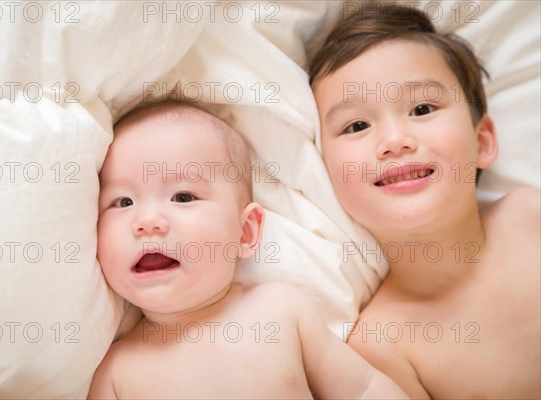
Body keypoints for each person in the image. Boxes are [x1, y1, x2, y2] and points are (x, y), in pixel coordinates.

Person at [88, 101, 408, 399]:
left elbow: (364, 388)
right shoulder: (117, 372)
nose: (147, 222)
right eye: (123, 202)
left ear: (245, 231)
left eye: (183, 197)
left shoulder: (280, 310)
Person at [310, 4, 540, 399]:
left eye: (422, 108)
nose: (394, 140)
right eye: (357, 125)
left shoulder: (531, 216)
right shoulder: (379, 348)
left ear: (482, 143)